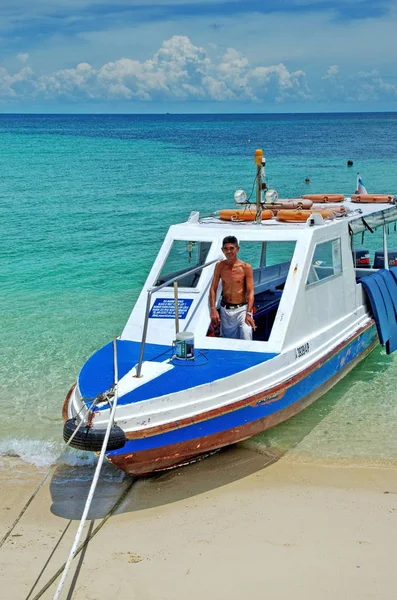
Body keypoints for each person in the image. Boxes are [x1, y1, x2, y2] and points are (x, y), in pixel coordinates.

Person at [209, 236, 255, 340]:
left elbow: (251, 291)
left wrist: (248, 313)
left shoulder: (246, 267)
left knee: (246, 333)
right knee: (228, 340)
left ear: (237, 249)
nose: (228, 251)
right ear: (222, 250)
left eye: (231, 248)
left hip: (242, 310)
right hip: (226, 310)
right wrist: (213, 309)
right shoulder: (220, 266)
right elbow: (213, 288)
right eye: (226, 248)